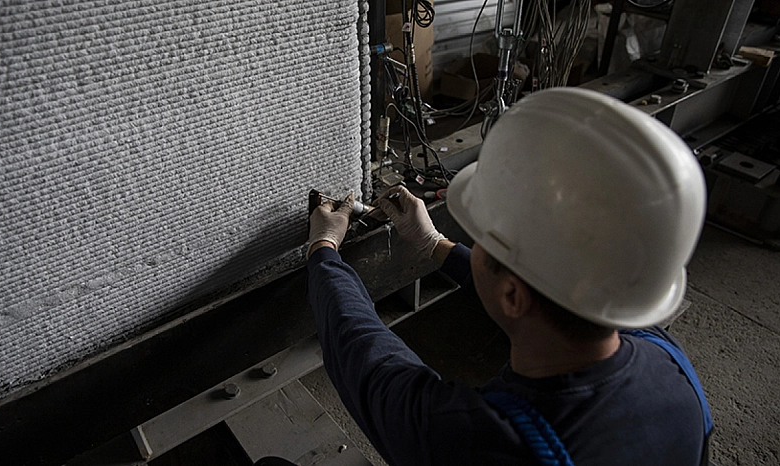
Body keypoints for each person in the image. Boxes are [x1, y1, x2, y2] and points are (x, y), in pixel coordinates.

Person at [305, 88, 712, 465]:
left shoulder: (487, 442)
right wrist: (433, 244)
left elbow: (364, 355)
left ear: (514, 297)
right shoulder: (668, 361)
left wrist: (323, 249)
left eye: (482, 241)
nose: (476, 245)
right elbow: (530, 282)